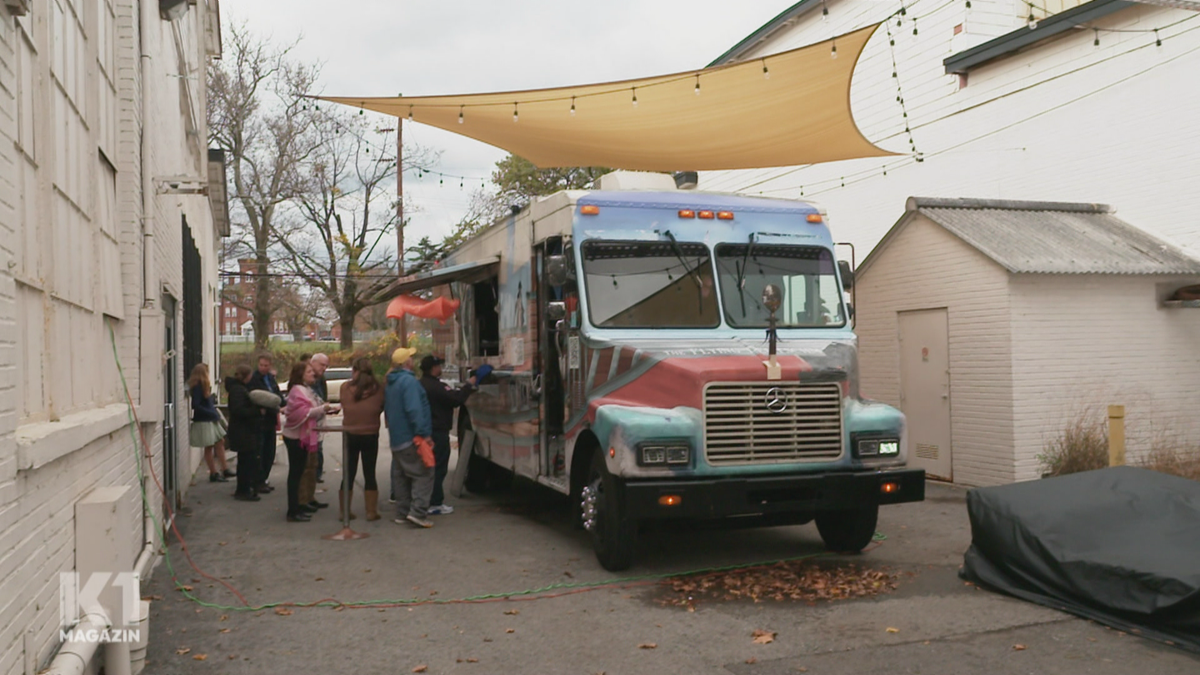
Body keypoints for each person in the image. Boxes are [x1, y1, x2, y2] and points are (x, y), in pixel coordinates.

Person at [419, 355, 483, 515]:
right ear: (433, 368)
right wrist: (469, 385)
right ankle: (435, 502)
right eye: (438, 365)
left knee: (428, 468)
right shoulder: (436, 386)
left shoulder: (421, 384)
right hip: (438, 432)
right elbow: (456, 399)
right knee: (438, 468)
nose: (441, 368)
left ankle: (427, 500)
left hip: (427, 431)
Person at [384, 347, 434, 528]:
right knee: (424, 473)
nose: (413, 360)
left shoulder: (391, 382)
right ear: (407, 363)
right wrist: (424, 434)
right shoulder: (409, 382)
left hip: (397, 438)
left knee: (401, 477)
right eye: (411, 358)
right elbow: (414, 410)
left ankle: (402, 512)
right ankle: (418, 512)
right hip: (411, 437)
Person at [340, 357, 385, 521]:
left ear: (354, 371)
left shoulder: (345, 388)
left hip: (350, 432)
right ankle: (371, 511)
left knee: (348, 473)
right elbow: (380, 407)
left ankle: (344, 511)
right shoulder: (379, 388)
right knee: (369, 472)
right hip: (370, 432)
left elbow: (345, 405)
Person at [281, 362, 327, 522]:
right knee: (295, 474)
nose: (312, 374)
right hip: (295, 438)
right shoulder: (297, 391)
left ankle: (299, 506)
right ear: (301, 374)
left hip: (303, 436)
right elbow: (298, 413)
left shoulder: (306, 389)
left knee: (300, 473)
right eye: (309, 372)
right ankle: (292, 511)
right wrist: (322, 409)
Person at [225, 365, 264, 501]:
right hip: (243, 431)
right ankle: (243, 490)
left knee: (245, 461)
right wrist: (257, 412)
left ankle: (244, 489)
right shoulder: (238, 390)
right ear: (247, 376)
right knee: (246, 462)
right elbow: (238, 410)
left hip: (242, 431)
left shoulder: (237, 389)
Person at [188, 363, 232, 483]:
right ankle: (214, 472)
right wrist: (210, 412)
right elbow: (196, 405)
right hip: (204, 419)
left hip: (209, 418)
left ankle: (224, 468)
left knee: (219, 441)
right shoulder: (198, 387)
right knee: (210, 446)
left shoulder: (201, 386)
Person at [248, 354, 282, 494]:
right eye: (261, 365)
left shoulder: (271, 379)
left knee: (269, 451)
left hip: (271, 418)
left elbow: (277, 394)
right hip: (261, 419)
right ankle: (258, 481)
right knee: (260, 451)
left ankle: (264, 478)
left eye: (266, 365)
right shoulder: (254, 379)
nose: (263, 368)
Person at [310, 353, 332, 483]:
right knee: (314, 449)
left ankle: (317, 473)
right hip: (309, 421)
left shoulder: (321, 379)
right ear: (313, 362)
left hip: (319, 418)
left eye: (326, 366)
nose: (324, 368)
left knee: (319, 447)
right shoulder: (306, 378)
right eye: (322, 365)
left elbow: (323, 396)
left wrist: (326, 406)